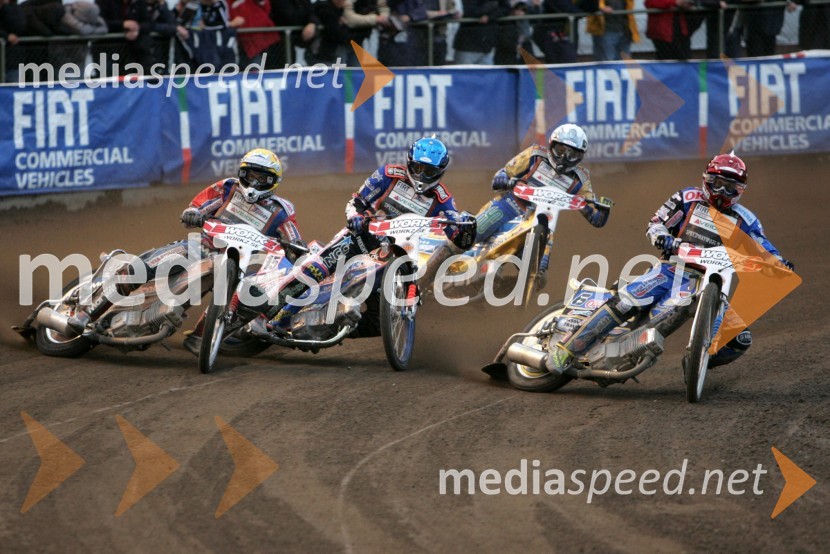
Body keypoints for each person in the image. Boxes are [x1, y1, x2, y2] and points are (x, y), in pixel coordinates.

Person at [545, 152, 795, 374]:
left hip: (708, 282)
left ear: (740, 190)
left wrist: (779, 264)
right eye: (718, 184)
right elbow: (656, 223)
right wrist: (664, 238)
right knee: (624, 302)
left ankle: (700, 360)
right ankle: (567, 349)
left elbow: (764, 247)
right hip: (671, 269)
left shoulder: (745, 219)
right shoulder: (687, 197)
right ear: (708, 180)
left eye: (730, 188)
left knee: (740, 338)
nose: (722, 193)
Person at [262, 137, 476, 337]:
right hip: (362, 239)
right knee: (317, 269)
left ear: (440, 172)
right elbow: (357, 201)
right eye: (418, 168)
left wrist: (466, 229)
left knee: (379, 323)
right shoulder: (388, 174)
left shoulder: (443, 199)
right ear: (409, 163)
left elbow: (455, 234)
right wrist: (355, 217)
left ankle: (326, 329)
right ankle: (270, 311)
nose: (421, 176)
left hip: (394, 258)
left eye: (429, 171)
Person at [455, 124, 610, 290]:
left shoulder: (581, 178)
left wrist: (604, 209)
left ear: (580, 157)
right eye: (561, 150)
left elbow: (595, 219)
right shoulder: (535, 155)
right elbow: (500, 176)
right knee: (468, 235)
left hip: (541, 223)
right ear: (551, 145)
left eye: (572, 154)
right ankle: (437, 262)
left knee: (539, 278)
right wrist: (506, 180)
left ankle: (503, 290)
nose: (565, 157)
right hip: (509, 206)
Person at [180, 148, 305, 354]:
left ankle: (205, 333)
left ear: (273, 181)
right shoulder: (229, 188)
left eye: (261, 178)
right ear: (243, 173)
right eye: (251, 176)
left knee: (254, 288)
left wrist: (298, 249)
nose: (254, 183)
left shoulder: (281, 209)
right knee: (172, 261)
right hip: (207, 247)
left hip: (244, 263)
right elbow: (199, 206)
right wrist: (193, 213)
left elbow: (294, 237)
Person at [452, 0, 510, 65]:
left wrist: (490, 16)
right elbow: (469, 10)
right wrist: (492, 5)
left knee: (486, 73)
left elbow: (505, 8)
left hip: (487, 43)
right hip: (468, 42)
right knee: (464, 72)